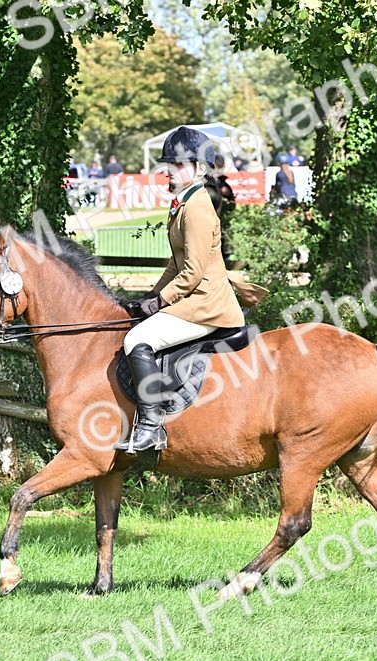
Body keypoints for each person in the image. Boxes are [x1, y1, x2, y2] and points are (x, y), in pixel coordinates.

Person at [115, 126, 265, 454]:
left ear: (199, 169)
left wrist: (162, 301)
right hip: (195, 298)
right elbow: (176, 263)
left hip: (206, 305)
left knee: (136, 340)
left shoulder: (196, 208)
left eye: (178, 165)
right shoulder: (184, 202)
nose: (170, 170)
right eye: (168, 164)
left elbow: (193, 272)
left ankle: (151, 427)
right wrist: (150, 297)